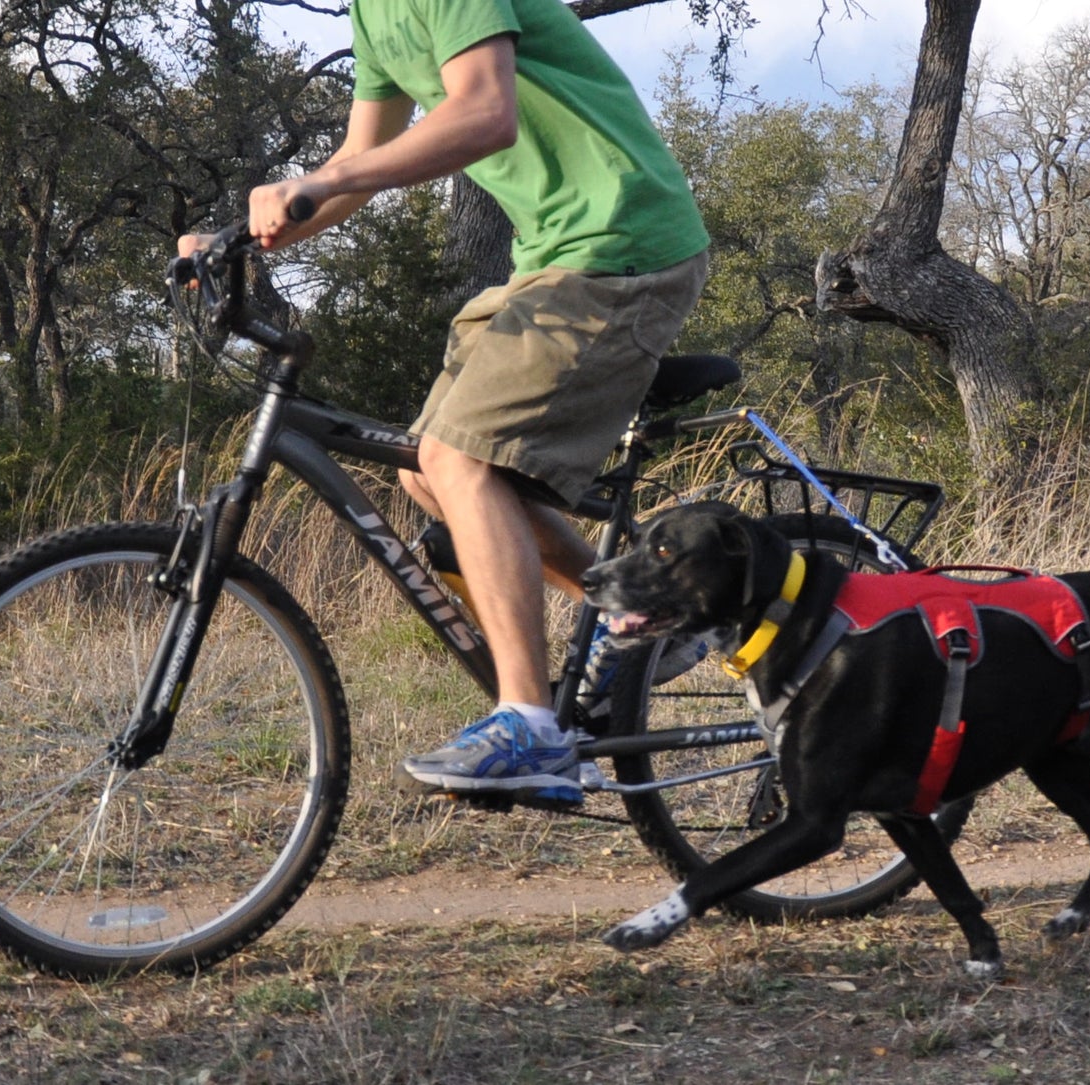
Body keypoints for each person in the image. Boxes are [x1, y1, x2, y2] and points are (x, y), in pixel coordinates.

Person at [181, 0, 710, 802]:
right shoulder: (375, 17)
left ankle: (531, 726)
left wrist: (322, 180)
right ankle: (648, 616)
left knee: (457, 458)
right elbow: (362, 154)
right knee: (425, 474)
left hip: (620, 245)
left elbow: (485, 111)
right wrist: (239, 234)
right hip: (553, 259)